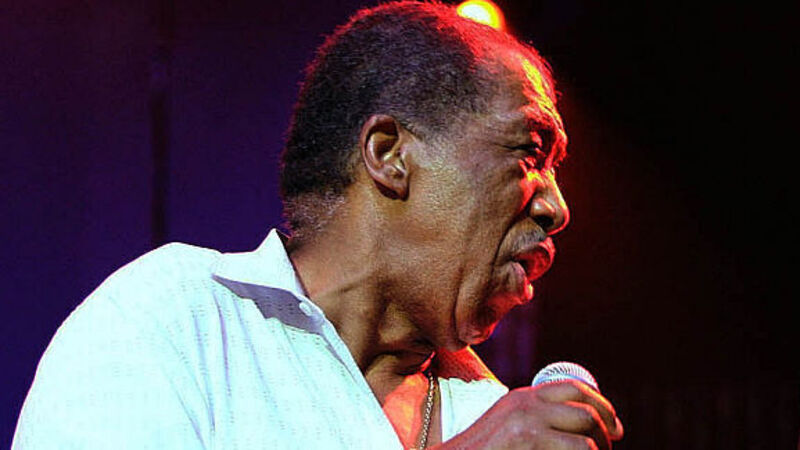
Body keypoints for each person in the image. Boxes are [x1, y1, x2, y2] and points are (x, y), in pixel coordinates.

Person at [13, 1, 623, 448]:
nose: (556, 206)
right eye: (530, 153)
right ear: (389, 154)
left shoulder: (487, 412)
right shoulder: (177, 321)